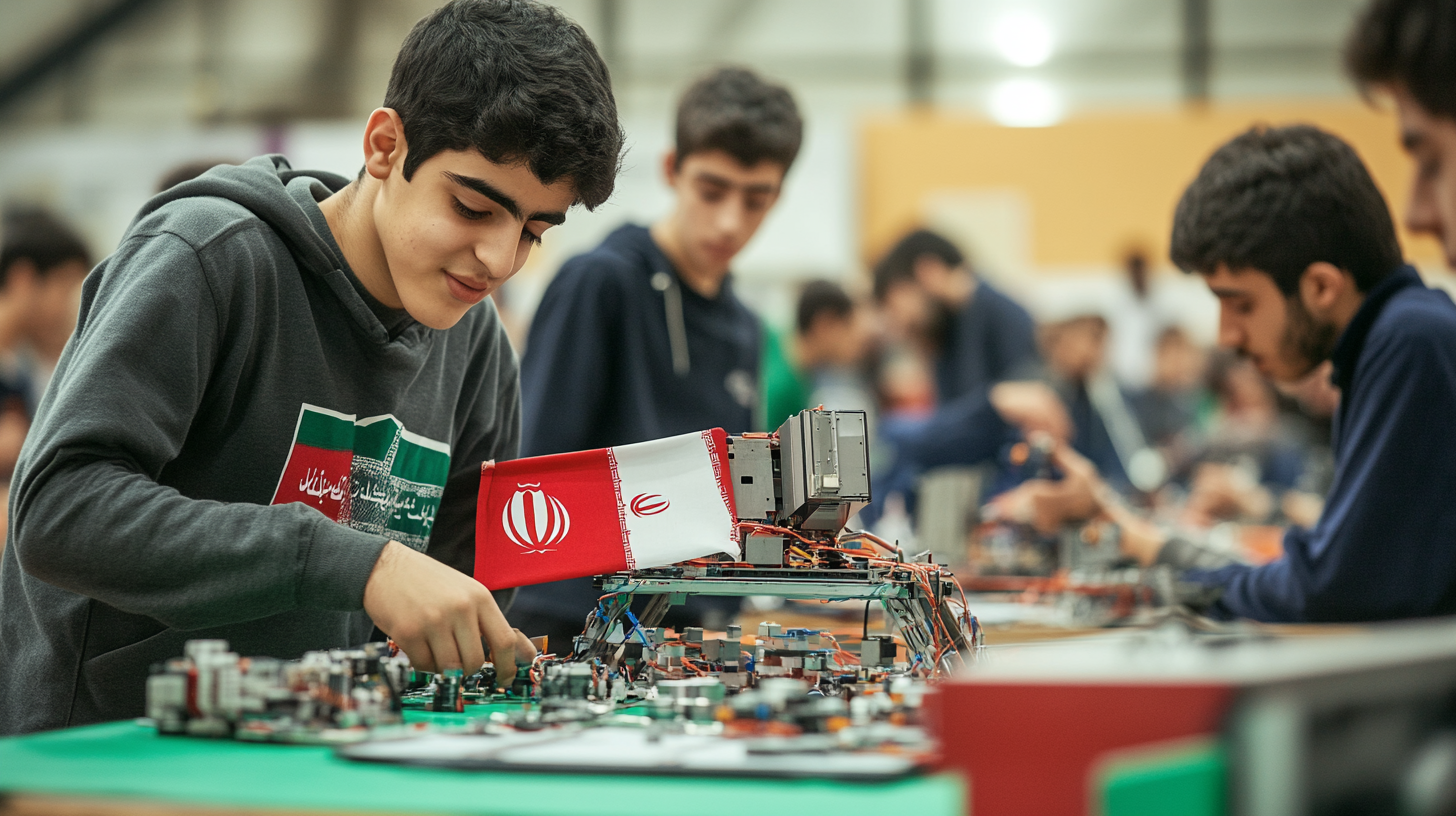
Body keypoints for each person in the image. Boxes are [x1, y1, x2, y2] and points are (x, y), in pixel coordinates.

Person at [0, 0, 624, 734]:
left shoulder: (474, 340)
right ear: (386, 145)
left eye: (533, 231)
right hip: (111, 757)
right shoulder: (211, 259)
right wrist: (361, 564)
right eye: (472, 207)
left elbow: (462, 585)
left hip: (320, 759)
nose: (499, 259)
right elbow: (57, 510)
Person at [1014, 125, 1456, 623]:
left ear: (1321, 287)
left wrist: (1159, 563)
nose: (1226, 335)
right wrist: (1136, 538)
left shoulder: (1409, 342)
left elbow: (1327, 590)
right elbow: (1323, 574)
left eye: (1240, 304)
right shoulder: (1397, 339)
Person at [509, 67, 801, 646]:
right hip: (575, 624)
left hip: (693, 629)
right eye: (712, 191)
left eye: (756, 200)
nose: (729, 221)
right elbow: (534, 468)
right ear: (672, 170)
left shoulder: (745, 326)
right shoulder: (599, 283)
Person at [872, 229, 1039, 405]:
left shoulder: (1004, 317)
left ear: (928, 270)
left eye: (894, 304)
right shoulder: (951, 322)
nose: (899, 320)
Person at [761, 279, 874, 430]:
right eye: (850, 331)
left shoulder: (781, 348)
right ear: (824, 324)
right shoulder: (781, 387)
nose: (857, 348)